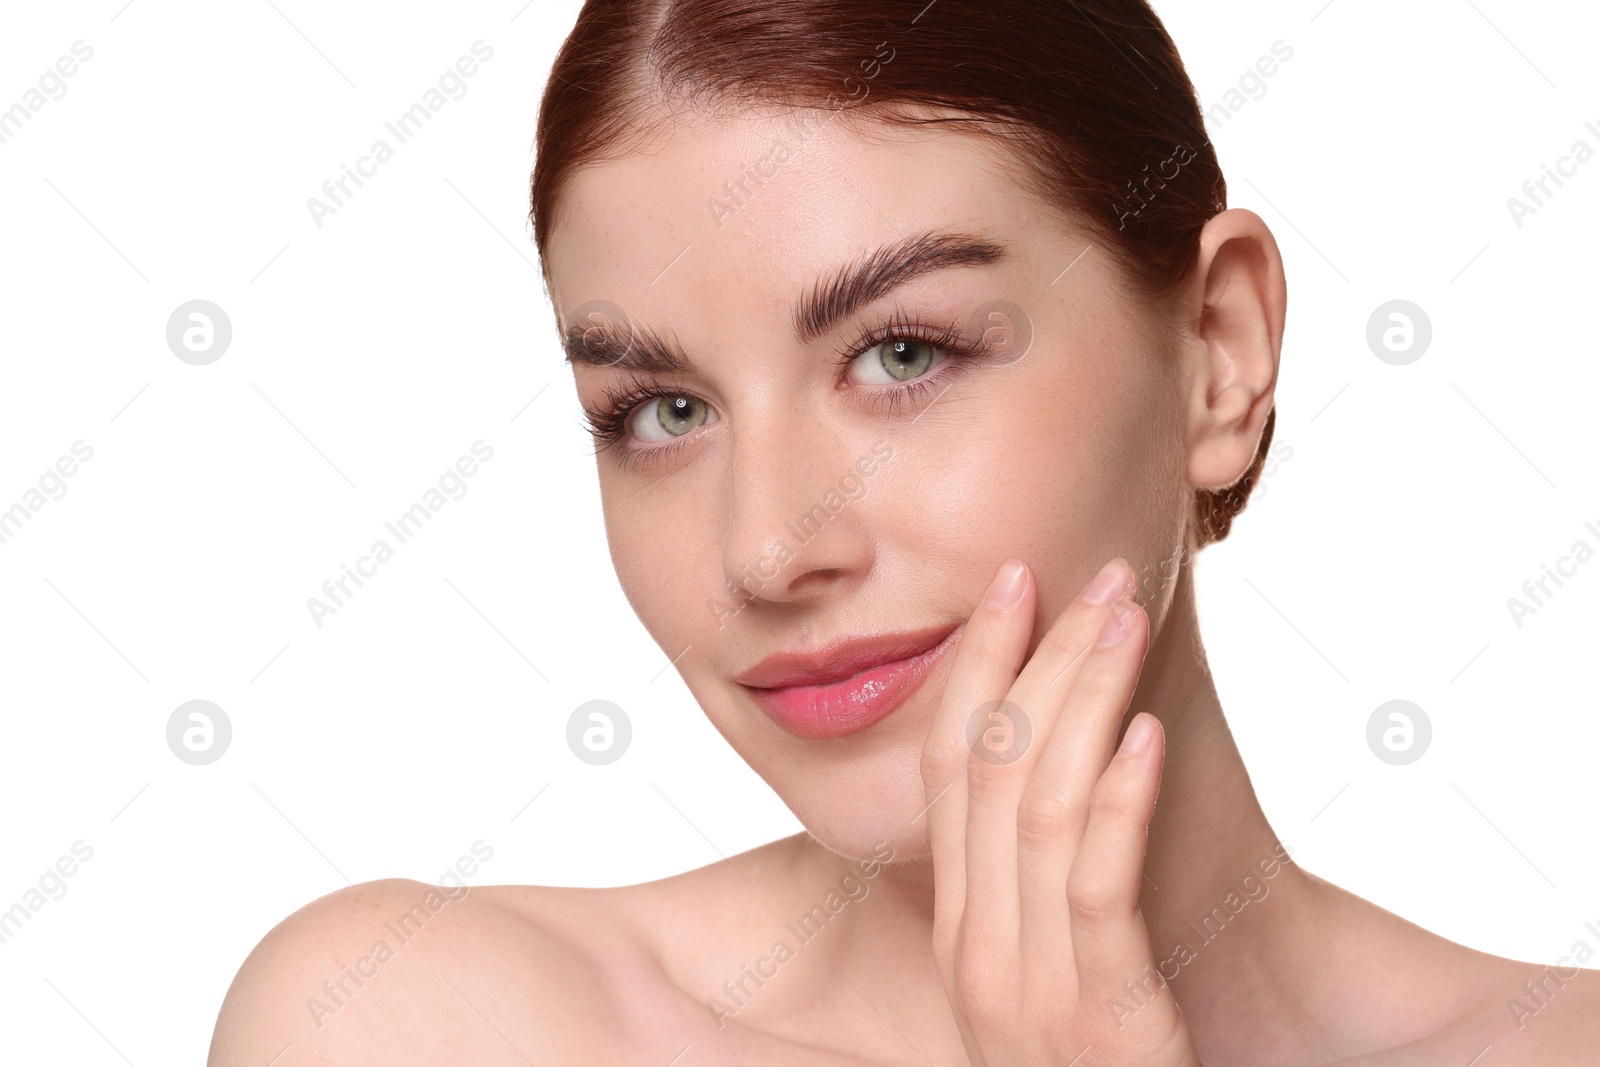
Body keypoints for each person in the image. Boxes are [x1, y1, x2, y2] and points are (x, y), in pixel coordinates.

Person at [208, 1, 1599, 1062]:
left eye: (903, 357)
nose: (765, 549)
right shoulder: (418, 1025)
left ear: (1219, 355)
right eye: (664, 409)